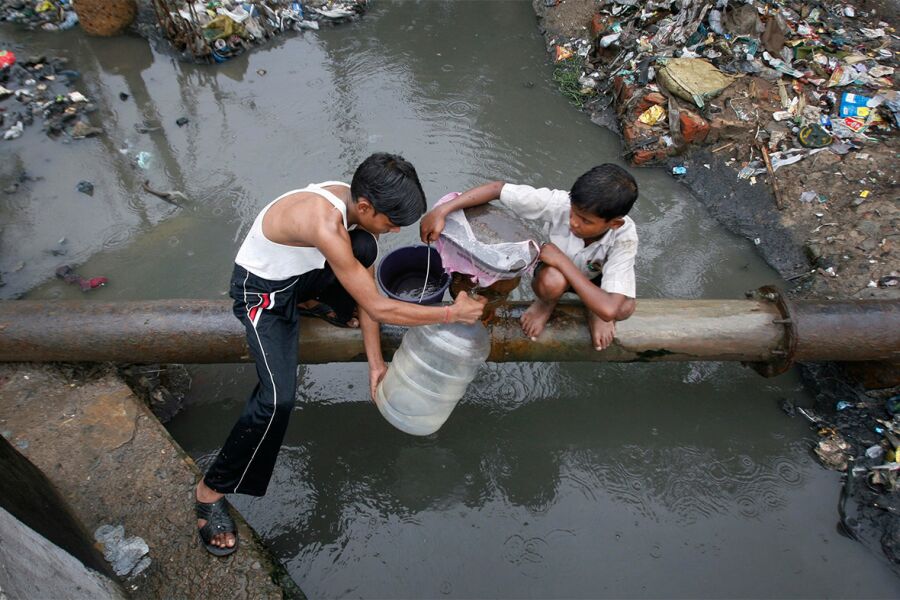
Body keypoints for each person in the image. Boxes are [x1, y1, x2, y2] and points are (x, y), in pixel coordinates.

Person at [196, 152, 486, 556]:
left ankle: (312, 302)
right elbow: (380, 307)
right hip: (261, 293)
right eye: (390, 222)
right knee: (277, 400)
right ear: (365, 206)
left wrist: (376, 363)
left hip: (297, 277)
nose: (392, 230)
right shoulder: (324, 222)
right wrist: (452, 312)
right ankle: (209, 493)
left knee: (365, 247)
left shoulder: (351, 202)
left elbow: (367, 288)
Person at [420, 163, 638, 351]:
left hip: (592, 279)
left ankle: (593, 310)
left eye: (585, 221)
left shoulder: (624, 237)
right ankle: (546, 304)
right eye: (573, 213)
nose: (573, 222)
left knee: (624, 308)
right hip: (554, 274)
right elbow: (497, 189)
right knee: (552, 282)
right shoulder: (559, 203)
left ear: (614, 223)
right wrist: (442, 211)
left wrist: (562, 260)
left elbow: (610, 308)